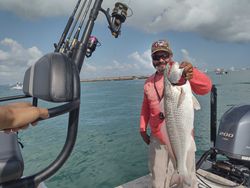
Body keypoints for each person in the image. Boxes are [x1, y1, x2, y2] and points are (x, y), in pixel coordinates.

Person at [139, 39, 212, 188]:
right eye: (156, 57)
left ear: (171, 56)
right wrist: (142, 128)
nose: (161, 60)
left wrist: (193, 74)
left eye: (164, 55)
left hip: (182, 136)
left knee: (187, 179)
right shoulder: (148, 82)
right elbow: (146, 107)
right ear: (152, 60)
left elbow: (206, 87)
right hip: (157, 139)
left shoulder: (183, 75)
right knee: (158, 179)